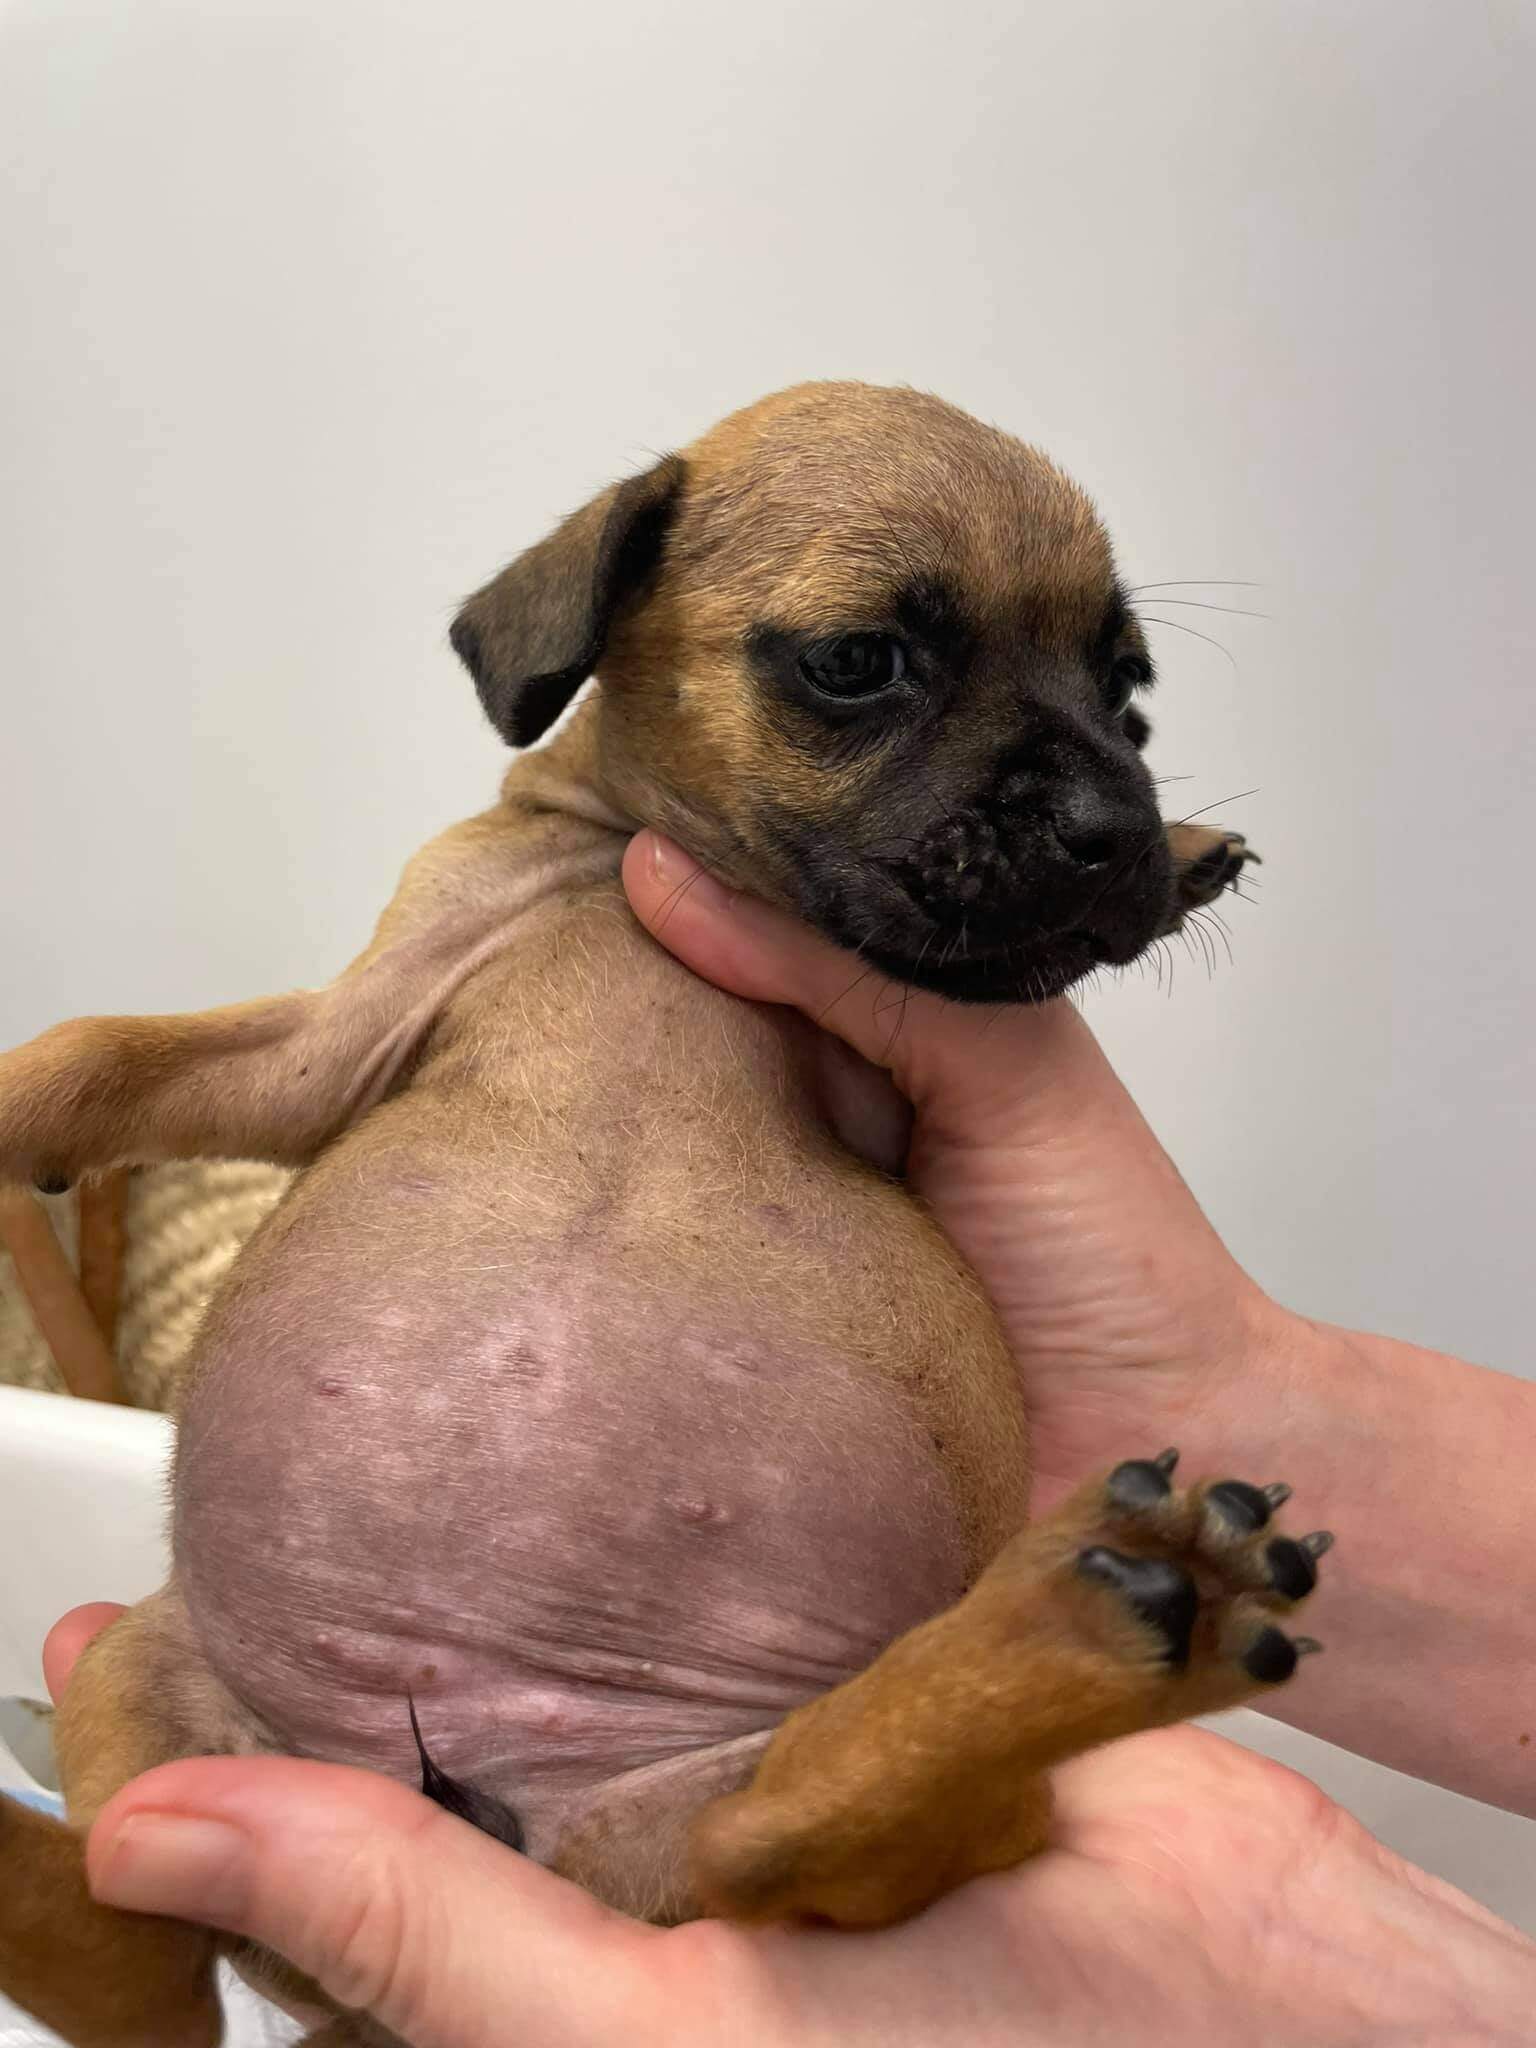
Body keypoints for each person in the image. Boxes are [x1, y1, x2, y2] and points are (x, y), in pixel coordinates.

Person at [53, 832, 1536, 2047]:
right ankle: (122, 1969)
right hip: (247, 1690)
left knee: (147, 1743)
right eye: (858, 665)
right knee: (135, 1686)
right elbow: (291, 1066)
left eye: (1111, 691)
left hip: (698, 1745)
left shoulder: (880, 977)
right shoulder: (505, 878)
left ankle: (857, 1780)